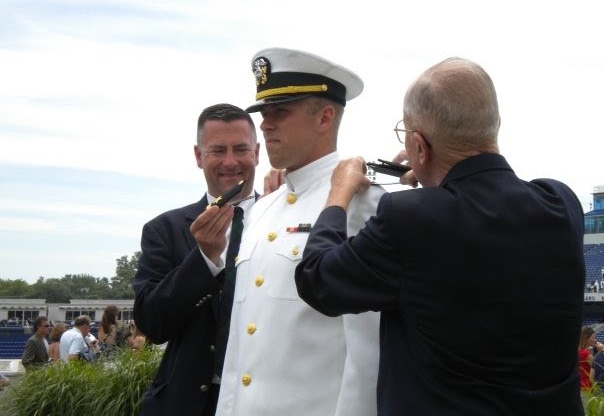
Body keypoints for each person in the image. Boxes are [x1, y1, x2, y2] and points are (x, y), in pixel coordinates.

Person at [295, 57, 585, 415]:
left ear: (419, 145)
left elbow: (318, 281)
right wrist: (435, 179)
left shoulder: (408, 218)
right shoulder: (561, 202)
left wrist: (338, 195)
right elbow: (493, 211)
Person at [216, 48, 383, 416]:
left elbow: (367, 352)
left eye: (281, 111)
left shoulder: (360, 205)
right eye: (264, 113)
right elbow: (239, 352)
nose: (265, 124)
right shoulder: (261, 210)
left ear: (325, 117)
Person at [133, 103, 260, 416]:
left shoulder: (286, 220)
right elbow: (153, 324)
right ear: (199, 156)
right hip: (187, 403)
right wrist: (203, 258)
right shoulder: (165, 229)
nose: (230, 161)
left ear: (257, 152)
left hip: (263, 401)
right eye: (218, 150)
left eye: (241, 149)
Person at [580, 326, 597, 392]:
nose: (595, 340)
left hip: (581, 386)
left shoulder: (579, 351)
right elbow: (599, 369)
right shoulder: (586, 354)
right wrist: (601, 352)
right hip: (588, 388)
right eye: (594, 338)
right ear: (586, 338)